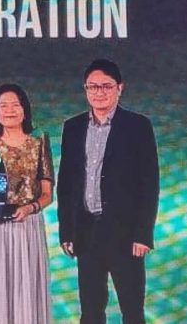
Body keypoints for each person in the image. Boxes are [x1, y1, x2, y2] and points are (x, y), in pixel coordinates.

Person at [57, 59, 159, 324]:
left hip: (126, 234)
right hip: (86, 232)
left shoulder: (138, 126)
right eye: (93, 86)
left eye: (106, 86)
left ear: (119, 88)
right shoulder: (73, 127)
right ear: (85, 89)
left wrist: (143, 234)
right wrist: (67, 231)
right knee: (90, 311)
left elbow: (149, 184)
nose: (99, 92)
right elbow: (66, 184)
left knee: (132, 311)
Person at [0, 83, 54, 324]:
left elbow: (47, 194)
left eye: (15, 104)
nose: (9, 110)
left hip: (26, 227)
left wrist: (29, 208)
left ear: (25, 110)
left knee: (25, 290)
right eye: (3, 105)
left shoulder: (38, 144)